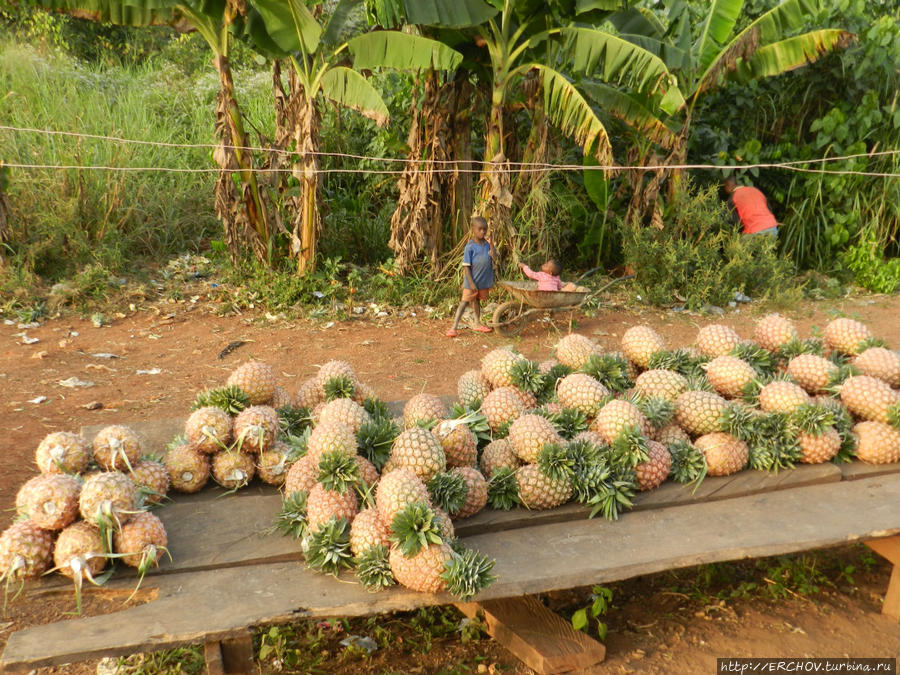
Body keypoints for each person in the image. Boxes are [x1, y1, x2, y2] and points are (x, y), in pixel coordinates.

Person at [446, 216, 495, 338]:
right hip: (472, 282)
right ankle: (454, 327)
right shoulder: (470, 246)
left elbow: (495, 258)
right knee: (464, 303)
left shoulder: (487, 245)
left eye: (485, 229)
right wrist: (471, 283)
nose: (483, 232)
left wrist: (492, 243)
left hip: (482, 282)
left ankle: (477, 323)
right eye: (480, 229)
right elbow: (466, 267)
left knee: (477, 301)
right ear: (473, 229)